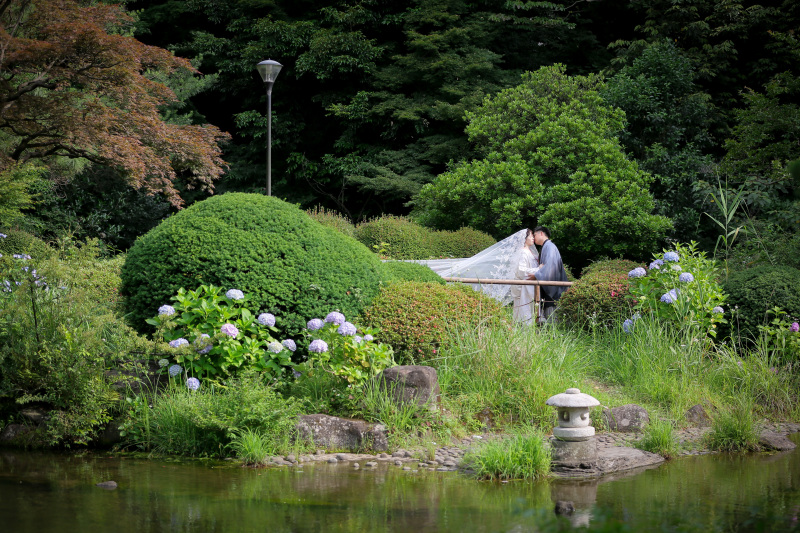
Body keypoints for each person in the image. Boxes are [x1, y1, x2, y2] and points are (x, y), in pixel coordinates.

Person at [531, 226, 568, 322]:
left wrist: (535, 275)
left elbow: (549, 268)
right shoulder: (547, 246)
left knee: (552, 321)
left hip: (553, 292)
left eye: (534, 235)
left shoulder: (549, 247)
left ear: (541, 233)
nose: (533, 238)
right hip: (552, 290)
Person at [511, 228, 543, 324]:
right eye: (530, 236)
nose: (533, 238)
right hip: (523, 288)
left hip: (529, 287)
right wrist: (538, 269)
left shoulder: (529, 251)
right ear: (524, 239)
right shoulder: (523, 252)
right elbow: (521, 271)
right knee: (523, 311)